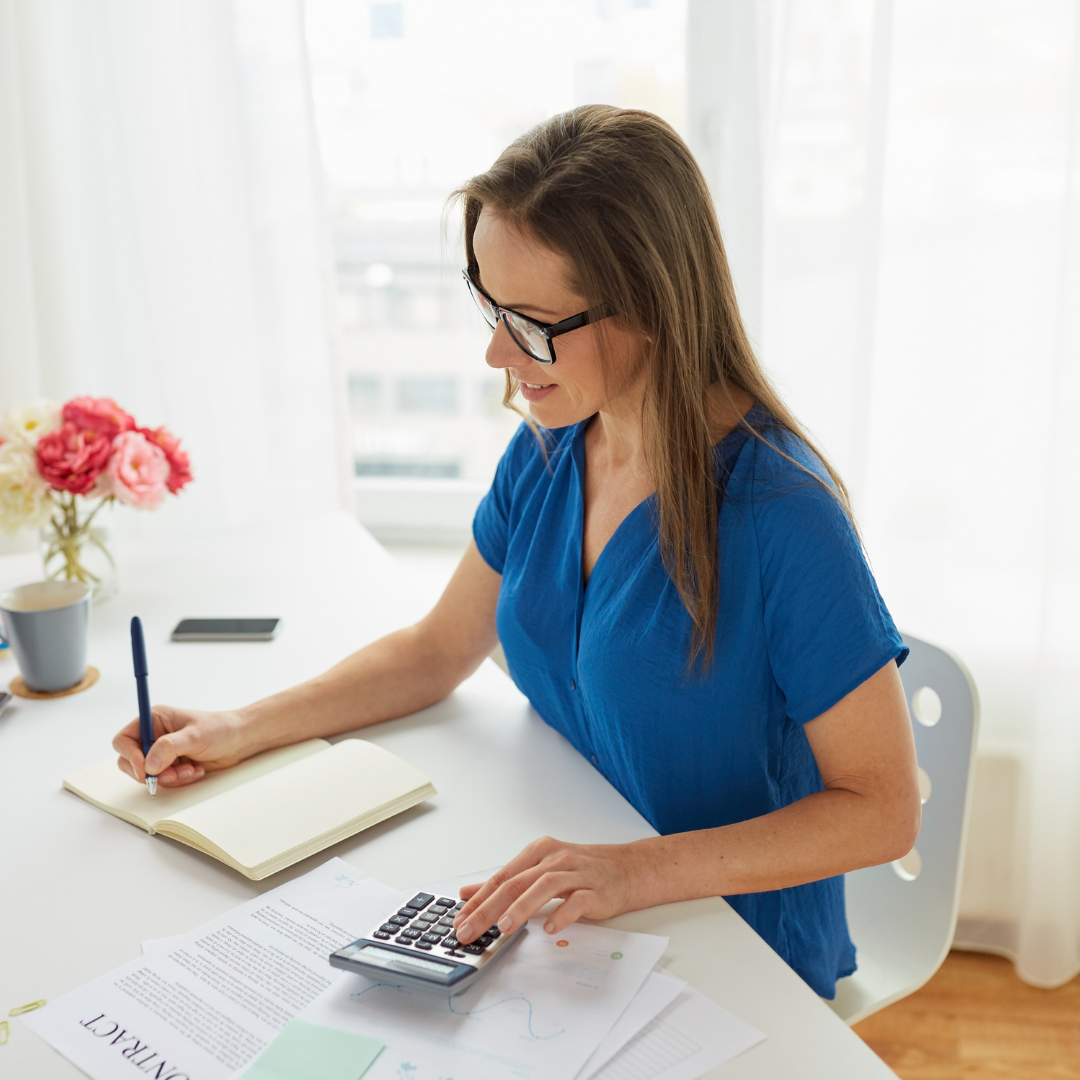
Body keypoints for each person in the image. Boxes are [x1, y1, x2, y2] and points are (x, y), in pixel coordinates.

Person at [113, 105, 919, 999]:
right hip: (576, 915)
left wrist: (632, 872)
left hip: (729, 947)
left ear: (649, 306)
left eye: (531, 322)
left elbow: (883, 811)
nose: (497, 351)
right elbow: (436, 649)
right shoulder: (554, 445)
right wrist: (236, 729)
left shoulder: (782, 515)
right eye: (490, 306)